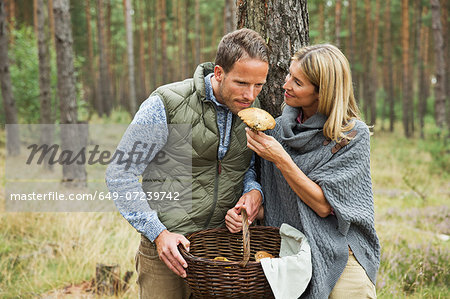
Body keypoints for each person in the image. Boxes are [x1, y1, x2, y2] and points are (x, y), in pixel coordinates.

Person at [105, 28, 268, 299]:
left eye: (258, 85)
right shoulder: (167, 104)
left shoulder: (253, 110)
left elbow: (246, 165)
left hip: (221, 254)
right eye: (241, 83)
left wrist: (254, 192)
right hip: (167, 251)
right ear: (218, 73)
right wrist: (158, 234)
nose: (250, 95)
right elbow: (120, 174)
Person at [241, 44, 380, 298]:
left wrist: (281, 158)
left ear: (322, 92)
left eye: (298, 82)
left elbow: (324, 206)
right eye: (288, 75)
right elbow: (278, 197)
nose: (285, 85)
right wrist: (251, 208)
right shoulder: (277, 130)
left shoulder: (351, 136)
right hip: (292, 252)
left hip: (341, 250)